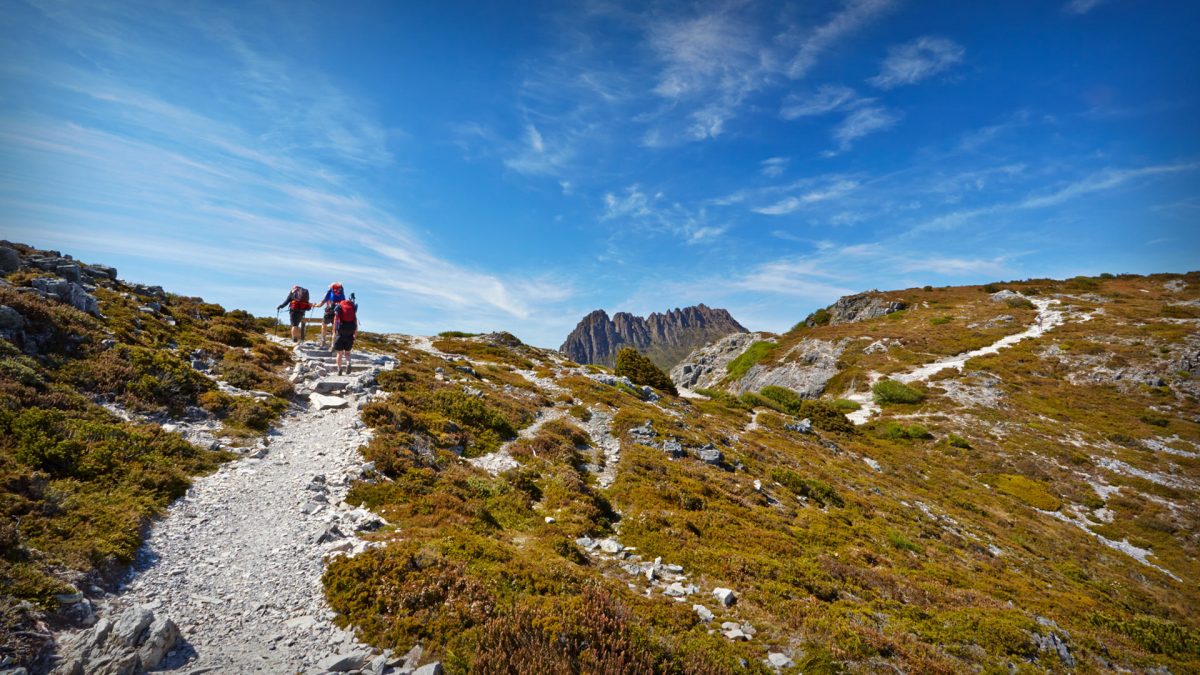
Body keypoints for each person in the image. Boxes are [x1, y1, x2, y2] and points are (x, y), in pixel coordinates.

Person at [314, 282, 346, 349]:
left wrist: (315, 305)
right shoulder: (342, 294)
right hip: (338, 313)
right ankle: (333, 346)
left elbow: (321, 303)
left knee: (324, 325)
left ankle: (323, 342)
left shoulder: (329, 292)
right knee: (334, 330)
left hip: (329, 312)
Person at [332, 293, 358, 375]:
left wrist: (334, 334)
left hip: (340, 334)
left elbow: (335, 323)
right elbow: (356, 324)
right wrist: (355, 335)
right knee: (347, 353)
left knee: (339, 353)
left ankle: (339, 369)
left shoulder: (339, 311)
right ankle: (348, 364)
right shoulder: (353, 311)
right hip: (350, 334)